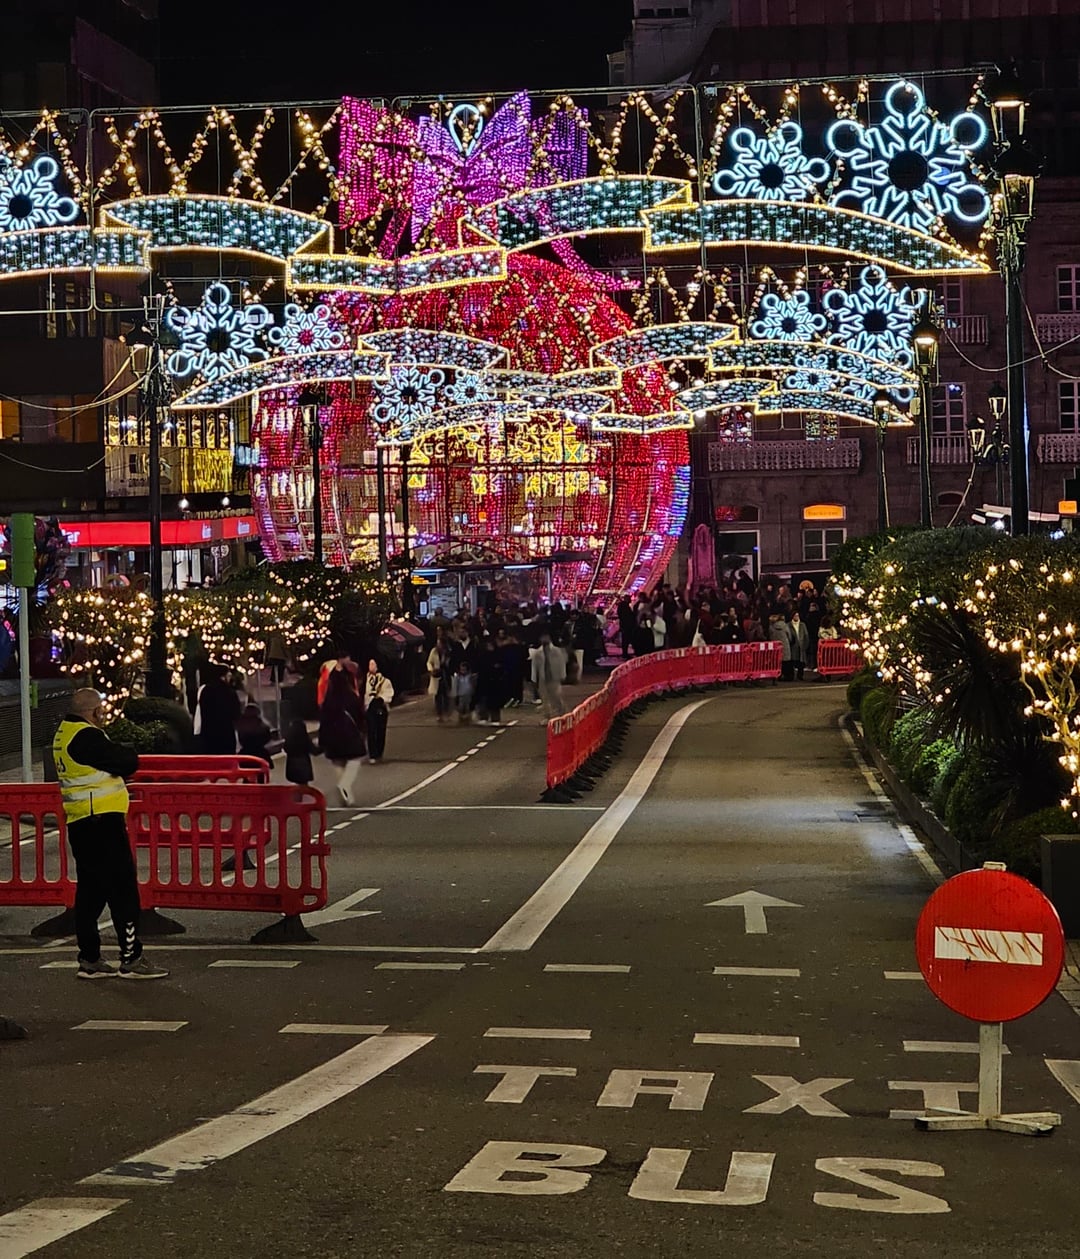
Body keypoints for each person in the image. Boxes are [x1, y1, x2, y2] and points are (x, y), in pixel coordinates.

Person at [52, 688, 168, 980]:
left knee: (90, 892)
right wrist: (125, 752)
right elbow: (127, 761)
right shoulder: (86, 737)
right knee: (123, 890)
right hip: (102, 822)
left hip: (81, 822)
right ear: (94, 712)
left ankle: (90, 958)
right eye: (101, 710)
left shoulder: (64, 734)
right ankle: (131, 958)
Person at [318, 666, 366, 803]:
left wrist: (322, 740)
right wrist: (363, 730)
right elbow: (359, 715)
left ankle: (346, 793)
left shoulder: (328, 700)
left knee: (338, 762)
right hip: (349, 733)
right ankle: (345, 784)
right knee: (356, 759)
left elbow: (323, 720)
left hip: (332, 736)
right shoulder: (350, 696)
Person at [194, 663, 242, 754]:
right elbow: (236, 714)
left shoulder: (205, 690)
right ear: (223, 676)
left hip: (208, 736)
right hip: (226, 735)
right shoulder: (229, 692)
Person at [364, 657, 394, 763]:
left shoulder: (385, 681)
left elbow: (389, 693)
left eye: (373, 664)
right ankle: (372, 754)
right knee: (371, 730)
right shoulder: (365, 680)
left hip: (381, 707)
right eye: (370, 664)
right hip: (369, 707)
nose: (371, 666)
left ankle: (379, 752)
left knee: (380, 730)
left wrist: (381, 699)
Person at [532, 630, 566, 718]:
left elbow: (561, 663)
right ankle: (547, 717)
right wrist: (534, 679)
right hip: (542, 678)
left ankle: (561, 714)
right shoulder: (537, 653)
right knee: (545, 699)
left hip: (554, 678)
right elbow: (534, 667)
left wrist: (562, 675)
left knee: (556, 697)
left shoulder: (557, 651)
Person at [235, 701, 275, 766]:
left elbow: (241, 741)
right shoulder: (263, 727)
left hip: (245, 756)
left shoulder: (241, 726)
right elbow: (268, 739)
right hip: (260, 755)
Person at [427, 632, 452, 723]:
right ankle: (439, 714)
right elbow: (429, 662)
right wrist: (431, 669)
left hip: (445, 674)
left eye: (440, 643)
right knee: (438, 695)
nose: (438, 645)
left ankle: (447, 714)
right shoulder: (434, 651)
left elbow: (450, 663)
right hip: (437, 674)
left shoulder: (448, 652)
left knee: (446, 695)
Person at [283, 719, 317, 787]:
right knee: (304, 785)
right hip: (303, 764)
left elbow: (286, 748)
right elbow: (314, 751)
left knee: (297, 785)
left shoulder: (289, 738)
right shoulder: (304, 738)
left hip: (292, 765)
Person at [768, 613, 793, 682]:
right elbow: (789, 636)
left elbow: (770, 636)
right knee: (786, 661)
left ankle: (778, 675)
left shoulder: (772, 627)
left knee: (777, 661)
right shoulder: (785, 626)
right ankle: (787, 676)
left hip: (775, 646)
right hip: (785, 645)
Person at [451, 658, 475, 723]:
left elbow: (472, 685)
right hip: (461, 694)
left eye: (464, 670)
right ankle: (460, 719)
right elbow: (456, 686)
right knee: (461, 707)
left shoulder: (470, 677)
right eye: (461, 670)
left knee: (468, 707)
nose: (463, 671)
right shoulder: (458, 677)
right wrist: (455, 694)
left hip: (468, 694)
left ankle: (468, 719)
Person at [789, 610, 810, 681]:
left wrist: (805, 645)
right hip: (793, 646)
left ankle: (800, 675)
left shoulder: (802, 625)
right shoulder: (789, 625)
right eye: (795, 615)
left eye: (797, 615)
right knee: (793, 661)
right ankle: (792, 675)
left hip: (801, 645)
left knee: (801, 662)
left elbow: (806, 635)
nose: (796, 617)